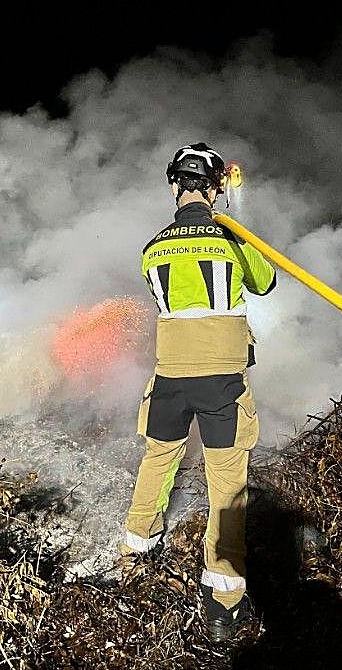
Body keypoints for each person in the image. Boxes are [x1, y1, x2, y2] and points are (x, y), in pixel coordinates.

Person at [119, 142, 276, 642]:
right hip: (222, 383)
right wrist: (236, 213)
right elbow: (265, 280)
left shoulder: (153, 248)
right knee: (226, 485)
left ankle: (136, 551)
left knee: (157, 461)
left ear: (174, 187)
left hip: (169, 377)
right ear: (216, 189)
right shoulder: (230, 239)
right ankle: (223, 603)